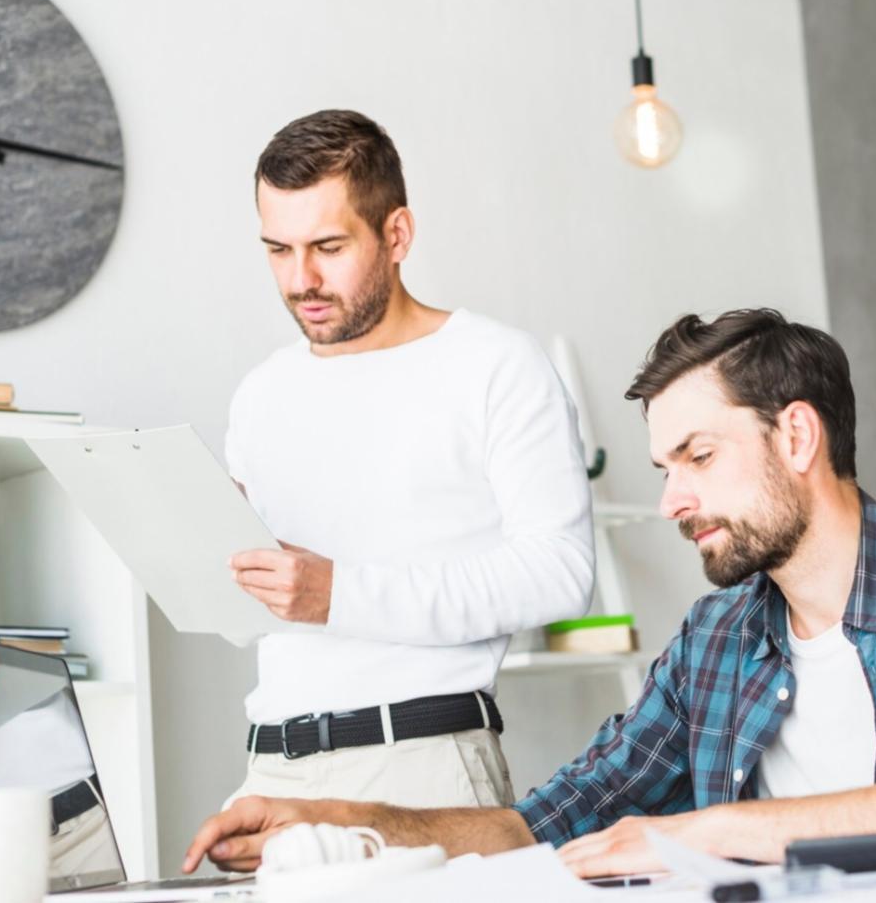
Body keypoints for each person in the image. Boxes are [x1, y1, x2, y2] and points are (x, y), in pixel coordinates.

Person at [184, 309, 876, 878]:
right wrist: (333, 818)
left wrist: (712, 831)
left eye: (699, 457)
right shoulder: (714, 641)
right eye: (664, 468)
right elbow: (540, 823)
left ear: (798, 437)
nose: (671, 501)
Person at [221, 109, 595, 808]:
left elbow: (560, 573)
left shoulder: (495, 365)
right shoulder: (260, 393)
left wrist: (340, 594)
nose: (301, 279)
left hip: (422, 764)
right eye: (278, 249)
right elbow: (254, 616)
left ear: (397, 234)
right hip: (271, 768)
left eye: (328, 246)